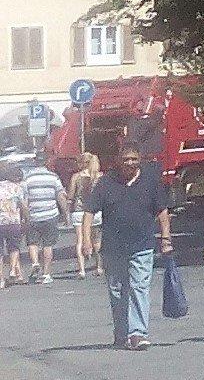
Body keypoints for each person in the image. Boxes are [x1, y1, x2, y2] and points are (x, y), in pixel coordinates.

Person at [95, 137, 171, 350]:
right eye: (126, 159)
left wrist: (166, 238)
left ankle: (138, 333)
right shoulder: (106, 183)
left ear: (140, 160)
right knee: (117, 290)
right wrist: (85, 240)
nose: (130, 163)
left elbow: (162, 211)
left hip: (142, 244)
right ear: (119, 161)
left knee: (139, 287)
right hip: (113, 247)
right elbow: (90, 212)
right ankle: (121, 332)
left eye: (134, 159)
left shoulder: (150, 181)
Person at [19, 152, 67, 280]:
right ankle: (46, 274)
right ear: (46, 162)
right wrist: (66, 214)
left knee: (32, 243)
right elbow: (61, 196)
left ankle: (35, 262)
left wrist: (26, 217)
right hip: (50, 215)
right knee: (48, 244)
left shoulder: (27, 178)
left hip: (33, 215)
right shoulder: (53, 177)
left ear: (35, 162)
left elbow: (23, 200)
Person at [70, 149, 103, 278]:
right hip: (95, 212)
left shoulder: (76, 177)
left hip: (79, 211)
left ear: (82, 163)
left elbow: (71, 195)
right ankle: (99, 267)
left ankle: (82, 270)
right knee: (97, 240)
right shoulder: (99, 176)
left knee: (79, 240)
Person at [0, 165, 25, 286]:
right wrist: (26, 218)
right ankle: (12, 269)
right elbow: (23, 205)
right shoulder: (16, 188)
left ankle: (1, 280)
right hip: (14, 221)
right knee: (14, 248)